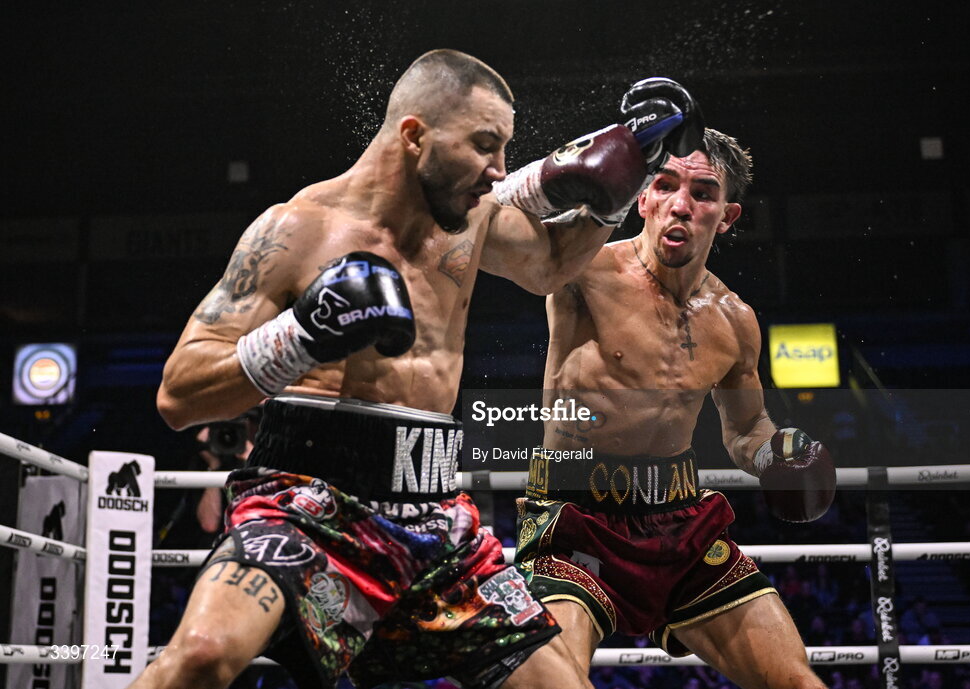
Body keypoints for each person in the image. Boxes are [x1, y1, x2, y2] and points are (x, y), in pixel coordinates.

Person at [130, 50, 702, 689]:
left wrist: (617, 191)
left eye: (505, 149)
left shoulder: (473, 217)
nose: (499, 170)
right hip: (308, 504)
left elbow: (548, 267)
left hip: (435, 516)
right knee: (202, 656)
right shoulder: (295, 231)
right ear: (414, 136)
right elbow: (180, 394)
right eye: (485, 145)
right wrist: (303, 334)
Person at [504, 124, 837, 689]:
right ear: (641, 197)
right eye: (664, 184)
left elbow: (747, 427)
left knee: (796, 682)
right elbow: (507, 227)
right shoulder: (581, 270)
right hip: (576, 518)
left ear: (726, 216)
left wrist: (776, 455)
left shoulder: (735, 320)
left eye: (702, 193)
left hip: (680, 522)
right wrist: (599, 154)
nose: (680, 204)